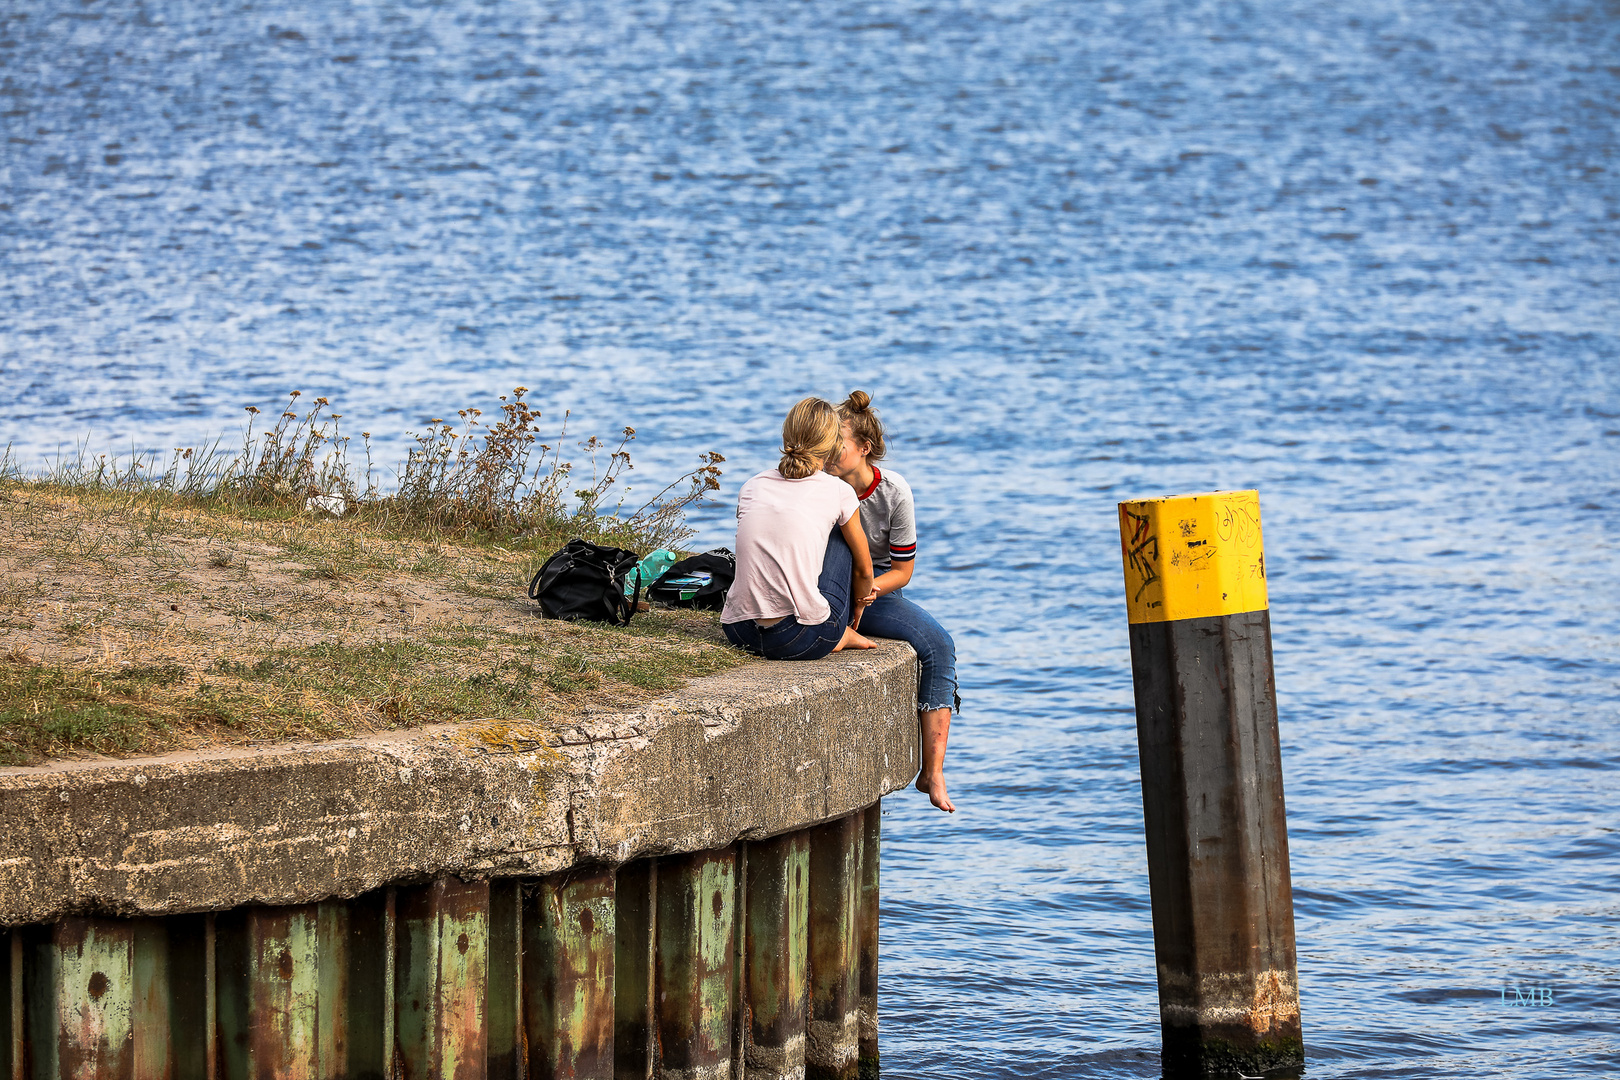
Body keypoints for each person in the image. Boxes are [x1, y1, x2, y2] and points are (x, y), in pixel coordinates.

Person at [826, 390, 958, 813]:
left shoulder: (894, 491)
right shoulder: (820, 485)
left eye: (838, 444)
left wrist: (870, 591)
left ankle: (933, 771)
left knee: (939, 645)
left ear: (864, 449)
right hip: (827, 589)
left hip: (876, 591)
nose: (828, 451)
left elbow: (902, 571)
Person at [721, 397, 877, 660]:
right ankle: (842, 632)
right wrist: (858, 608)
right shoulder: (839, 491)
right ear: (831, 445)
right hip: (801, 637)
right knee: (841, 533)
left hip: (740, 631)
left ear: (786, 436)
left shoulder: (752, 485)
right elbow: (864, 569)